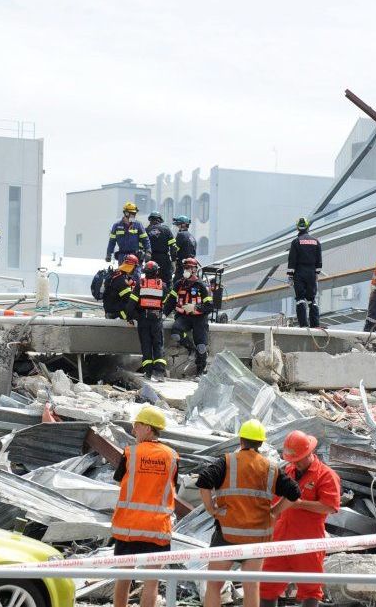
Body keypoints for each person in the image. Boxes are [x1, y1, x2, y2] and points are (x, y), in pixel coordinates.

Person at [196, 419, 300, 607]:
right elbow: (295, 492)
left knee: (213, 585)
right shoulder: (270, 467)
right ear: (261, 443)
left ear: (241, 440)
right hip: (257, 537)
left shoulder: (227, 462)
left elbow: (203, 481)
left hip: (227, 534)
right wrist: (274, 512)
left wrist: (211, 509)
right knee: (252, 587)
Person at [259, 431, 342, 607]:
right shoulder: (288, 471)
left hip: (308, 542)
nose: (294, 463)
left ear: (310, 453)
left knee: (310, 588)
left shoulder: (326, 475)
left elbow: (330, 506)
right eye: (292, 460)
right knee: (266, 585)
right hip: (280, 539)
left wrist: (299, 504)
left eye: (298, 460)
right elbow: (275, 505)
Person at [111, 405, 179, 607]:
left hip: (129, 528)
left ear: (148, 428)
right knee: (152, 581)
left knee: (123, 578)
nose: (134, 430)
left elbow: (118, 481)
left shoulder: (130, 453)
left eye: (137, 426)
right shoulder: (172, 456)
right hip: (157, 529)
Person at [164, 257, 214, 375]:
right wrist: (164, 314)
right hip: (184, 317)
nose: (185, 270)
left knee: (201, 346)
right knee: (176, 333)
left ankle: (200, 371)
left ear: (194, 270)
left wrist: (196, 308)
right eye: (185, 267)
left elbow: (209, 306)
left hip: (199, 318)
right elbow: (171, 300)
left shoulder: (202, 286)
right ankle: (191, 349)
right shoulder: (179, 284)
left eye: (188, 268)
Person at [127, 261, 170, 381]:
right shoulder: (162, 285)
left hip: (143, 319)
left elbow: (131, 304)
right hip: (157, 319)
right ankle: (159, 373)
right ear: (157, 272)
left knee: (146, 345)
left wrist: (129, 317)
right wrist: (163, 313)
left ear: (145, 272)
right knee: (158, 344)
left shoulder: (140, 285)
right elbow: (168, 301)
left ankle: (148, 372)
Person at [287, 217, 322, 328]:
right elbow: (319, 259)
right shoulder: (316, 242)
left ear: (298, 228)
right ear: (307, 227)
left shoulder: (296, 242)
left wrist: (290, 276)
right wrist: (316, 273)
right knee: (312, 299)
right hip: (311, 273)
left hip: (300, 273)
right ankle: (315, 324)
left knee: (300, 299)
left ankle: (303, 325)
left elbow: (292, 260)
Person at [103, 255, 139, 320]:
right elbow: (128, 298)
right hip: (114, 308)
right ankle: (114, 315)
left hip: (109, 305)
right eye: (135, 267)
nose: (135, 270)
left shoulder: (116, 273)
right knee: (136, 311)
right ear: (132, 267)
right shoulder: (122, 280)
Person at [146, 211, 178, 284]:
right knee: (166, 281)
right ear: (160, 220)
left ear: (150, 220)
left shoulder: (146, 231)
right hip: (164, 260)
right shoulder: (166, 230)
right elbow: (173, 247)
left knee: (150, 280)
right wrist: (173, 261)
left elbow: (141, 247)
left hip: (151, 260)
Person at [172, 215, 197, 283]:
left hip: (182, 266)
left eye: (178, 225)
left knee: (176, 284)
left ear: (183, 225)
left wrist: (173, 261)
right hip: (192, 266)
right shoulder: (191, 237)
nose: (177, 227)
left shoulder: (181, 235)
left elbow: (174, 250)